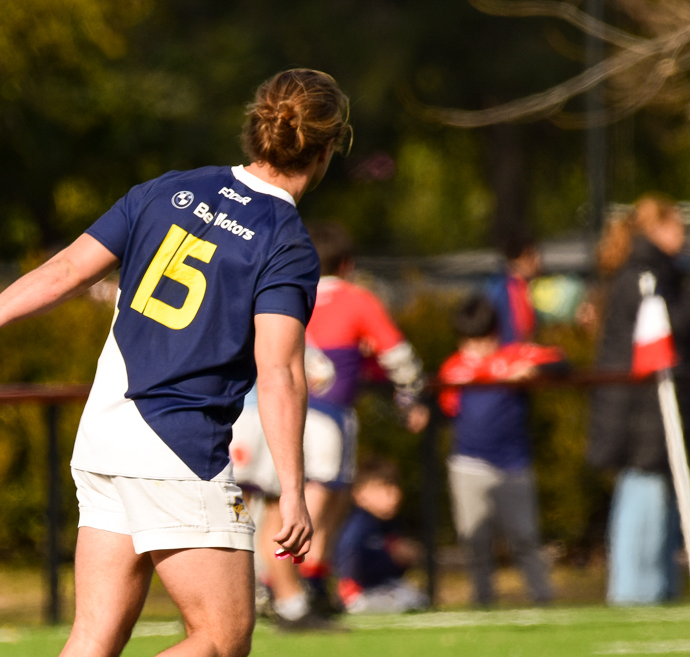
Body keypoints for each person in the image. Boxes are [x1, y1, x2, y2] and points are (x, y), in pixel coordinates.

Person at [0, 68, 342, 657]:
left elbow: (59, 273)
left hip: (104, 432)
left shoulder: (168, 190)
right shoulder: (287, 242)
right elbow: (281, 371)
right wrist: (293, 487)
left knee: (93, 632)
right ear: (326, 153)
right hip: (177, 448)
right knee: (223, 636)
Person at [229, 220, 425, 627]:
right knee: (310, 513)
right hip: (324, 417)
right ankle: (292, 597)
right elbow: (398, 354)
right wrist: (411, 396)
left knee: (284, 509)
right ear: (349, 263)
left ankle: (295, 591)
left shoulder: (279, 293)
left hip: (265, 414)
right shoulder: (356, 298)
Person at [587, 194, 690, 605]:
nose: (683, 236)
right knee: (642, 499)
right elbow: (662, 331)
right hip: (641, 412)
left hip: (653, 409)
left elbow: (675, 332)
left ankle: (660, 590)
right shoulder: (643, 274)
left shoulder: (658, 271)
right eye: (676, 226)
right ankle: (633, 593)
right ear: (656, 229)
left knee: (663, 502)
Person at [439, 294, 566, 607]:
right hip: (468, 465)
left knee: (524, 536)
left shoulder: (514, 356)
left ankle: (542, 597)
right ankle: (483, 601)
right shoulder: (453, 369)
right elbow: (445, 408)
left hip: (513, 465)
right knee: (475, 540)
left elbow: (560, 361)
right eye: (471, 341)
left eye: (484, 340)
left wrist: (531, 372)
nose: (478, 349)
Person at [333, 460, 427, 614]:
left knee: (417, 598)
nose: (394, 495)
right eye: (384, 488)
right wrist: (349, 583)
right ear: (359, 494)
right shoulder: (358, 522)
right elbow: (347, 550)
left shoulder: (388, 524)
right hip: (361, 593)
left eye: (395, 487)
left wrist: (401, 559)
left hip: (381, 587)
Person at [485, 230, 542, 345]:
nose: (538, 262)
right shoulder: (506, 288)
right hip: (508, 356)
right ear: (524, 257)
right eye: (534, 255)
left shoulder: (521, 286)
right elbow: (520, 331)